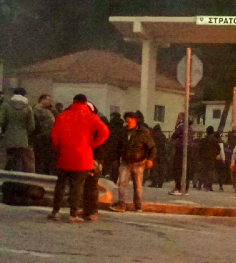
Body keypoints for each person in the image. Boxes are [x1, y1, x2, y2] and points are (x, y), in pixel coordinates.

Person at [48, 94, 109, 223]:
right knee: (78, 186)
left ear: (73, 101)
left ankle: (55, 211)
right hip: (83, 157)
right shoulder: (92, 117)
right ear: (85, 103)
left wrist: (60, 148)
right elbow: (105, 131)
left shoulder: (62, 116)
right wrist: (92, 144)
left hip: (65, 155)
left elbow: (54, 136)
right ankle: (73, 214)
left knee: (60, 184)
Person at [110, 111, 156, 212]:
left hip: (139, 162)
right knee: (122, 183)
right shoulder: (123, 132)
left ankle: (138, 205)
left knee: (137, 186)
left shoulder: (142, 133)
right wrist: (116, 159)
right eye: (126, 121)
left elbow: (152, 147)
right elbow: (118, 147)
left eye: (129, 121)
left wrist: (150, 159)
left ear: (135, 120)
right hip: (126, 161)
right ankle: (121, 204)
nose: (127, 123)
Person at [0, 87, 36, 173]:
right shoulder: (28, 107)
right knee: (22, 158)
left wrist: (4, 131)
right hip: (23, 137)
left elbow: (0, 120)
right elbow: (32, 126)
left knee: (10, 156)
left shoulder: (6, 105)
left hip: (9, 135)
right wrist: (26, 132)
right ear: (24, 95)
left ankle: (6, 174)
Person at [32, 94, 56, 175]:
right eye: (48, 100)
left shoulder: (47, 109)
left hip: (48, 135)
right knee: (42, 155)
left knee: (48, 155)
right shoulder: (38, 109)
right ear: (42, 100)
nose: (49, 102)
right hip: (42, 135)